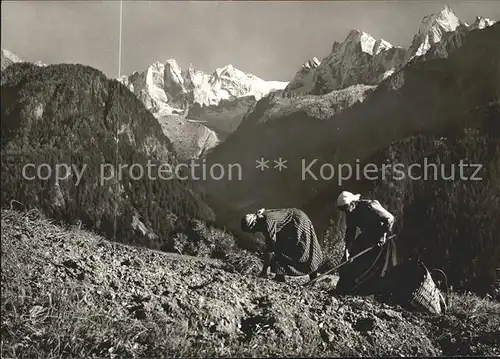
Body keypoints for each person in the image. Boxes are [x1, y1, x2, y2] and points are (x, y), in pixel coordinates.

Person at [334, 191, 398, 296]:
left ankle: (370, 291)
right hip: (367, 236)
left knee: (379, 266)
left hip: (382, 237)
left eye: (345, 208)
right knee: (352, 259)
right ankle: (347, 288)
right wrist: (347, 250)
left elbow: (390, 218)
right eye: (342, 209)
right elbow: (350, 233)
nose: (344, 212)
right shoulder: (350, 213)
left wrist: (383, 235)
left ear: (352, 204)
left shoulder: (370, 206)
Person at [241, 207, 323, 283]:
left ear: (254, 223)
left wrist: (264, 271)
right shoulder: (260, 218)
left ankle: (313, 279)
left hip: (299, 221)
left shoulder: (267, 222)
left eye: (252, 230)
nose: (254, 232)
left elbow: (270, 248)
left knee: (306, 248)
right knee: (279, 246)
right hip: (289, 225)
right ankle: (279, 277)